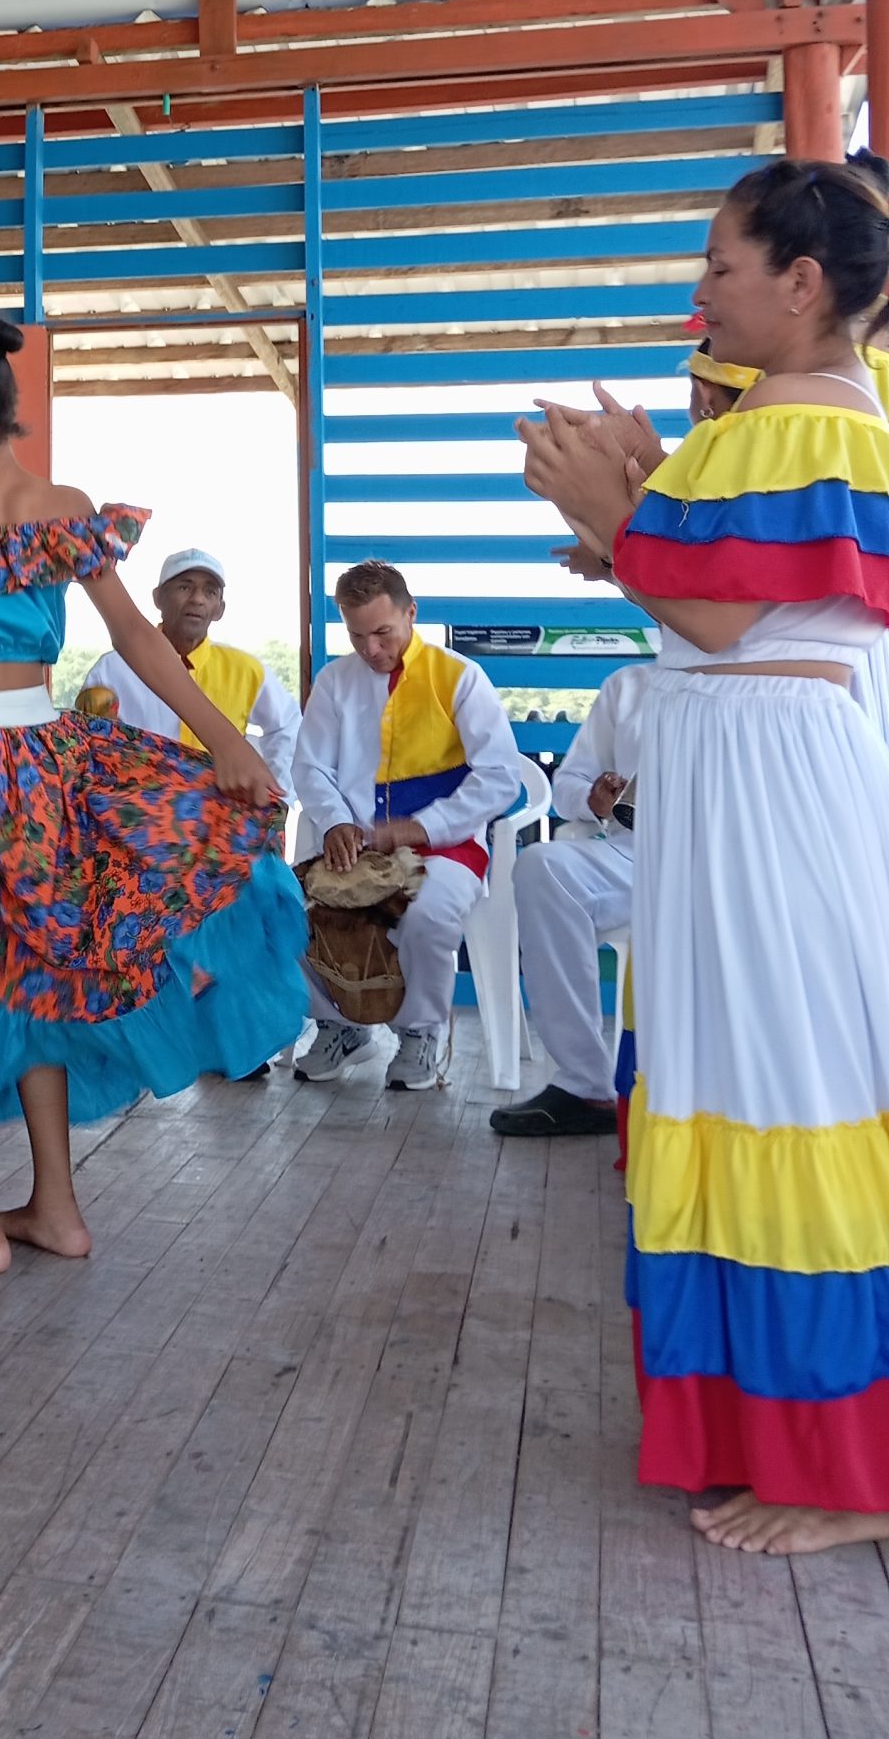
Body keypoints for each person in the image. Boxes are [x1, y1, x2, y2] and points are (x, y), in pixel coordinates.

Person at [520, 153, 889, 1555]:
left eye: (721, 268)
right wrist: (635, 493)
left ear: (801, 284)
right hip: (748, 780)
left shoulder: (806, 418)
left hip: (770, 789)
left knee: (789, 1085)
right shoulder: (796, 412)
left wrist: (607, 508)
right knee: (745, 1083)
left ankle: (845, 1468)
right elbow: (723, 592)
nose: (701, 294)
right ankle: (777, 1430)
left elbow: (723, 617)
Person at [0, 312, 308, 1276]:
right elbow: (137, 637)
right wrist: (224, 741)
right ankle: (55, 1210)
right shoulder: (64, 511)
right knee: (40, 971)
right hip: (41, 765)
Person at [290, 558, 523, 1091]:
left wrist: (421, 828)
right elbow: (310, 768)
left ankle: (420, 1033)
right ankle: (340, 1026)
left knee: (426, 916)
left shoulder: (459, 677)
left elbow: (501, 779)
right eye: (356, 636)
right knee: (290, 908)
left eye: (383, 633)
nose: (371, 649)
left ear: (410, 613)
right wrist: (336, 822)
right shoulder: (334, 682)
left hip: (446, 849)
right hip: (355, 847)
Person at [488, 665, 646, 1138]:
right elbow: (569, 783)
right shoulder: (630, 687)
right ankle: (585, 1085)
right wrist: (594, 800)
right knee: (543, 867)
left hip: (732, 859)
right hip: (637, 855)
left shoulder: (771, 678)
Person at [81, 547, 301, 796]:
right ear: (157, 598)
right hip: (138, 810)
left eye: (210, 592)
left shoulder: (246, 670)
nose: (198, 599)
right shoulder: (112, 669)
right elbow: (89, 746)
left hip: (222, 813)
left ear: (220, 609)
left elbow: (288, 727)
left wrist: (277, 795)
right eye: (184, 587)